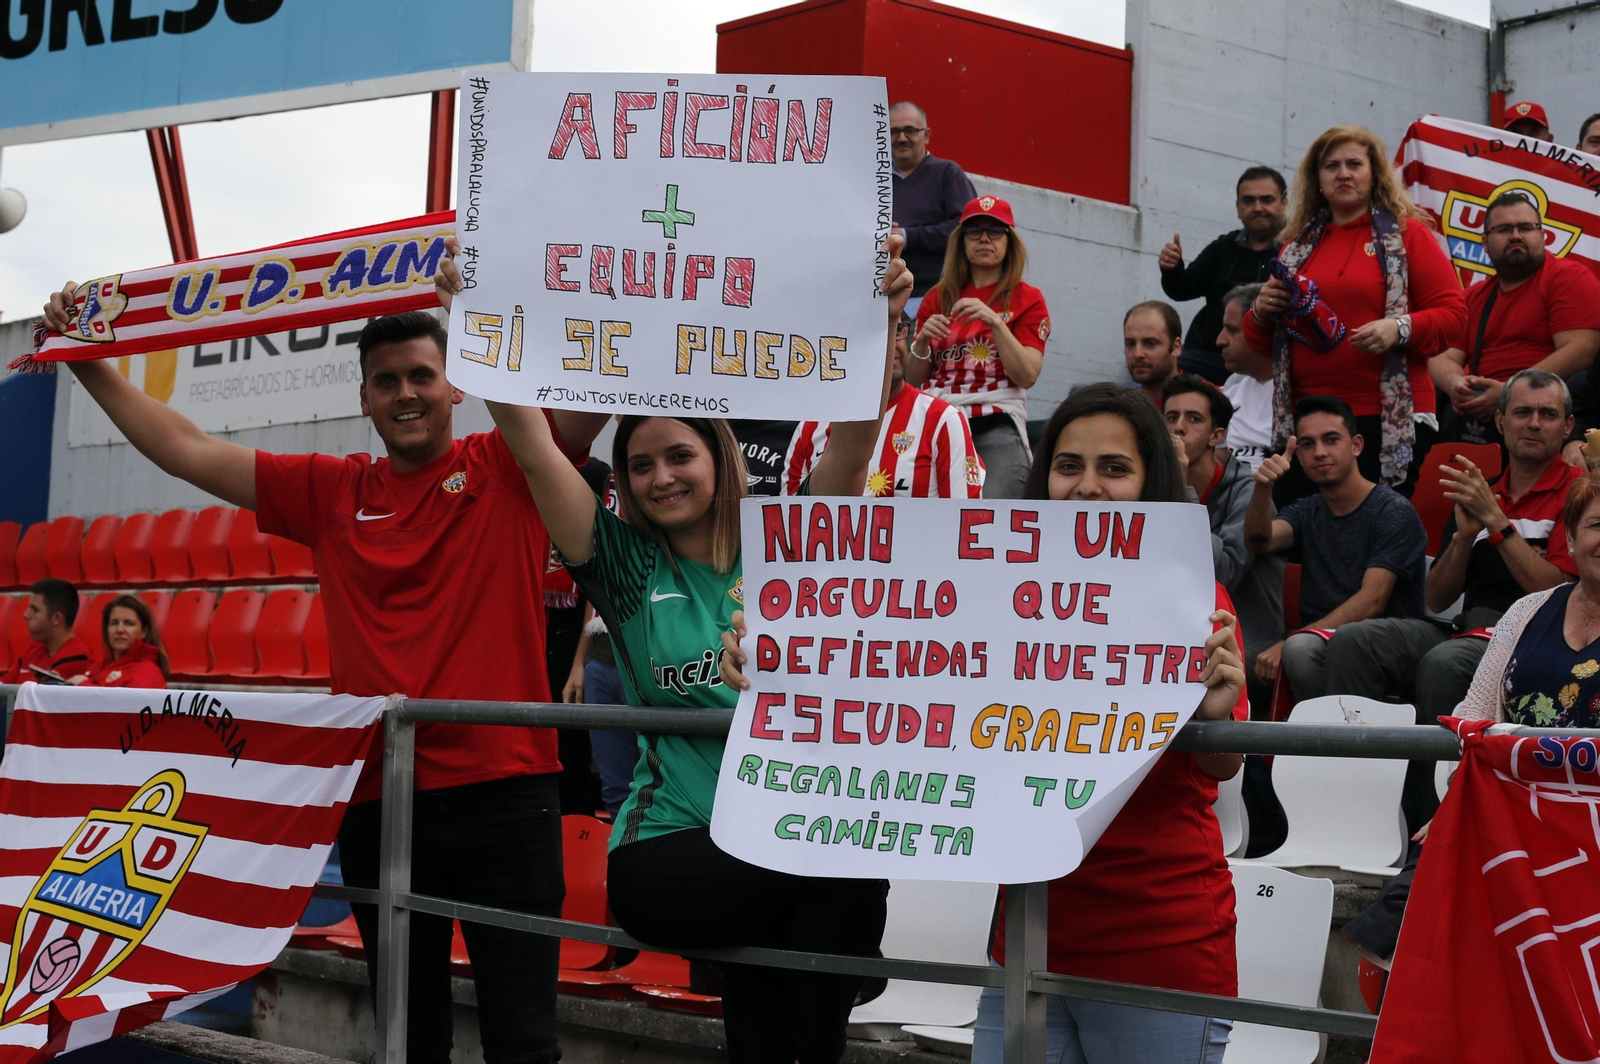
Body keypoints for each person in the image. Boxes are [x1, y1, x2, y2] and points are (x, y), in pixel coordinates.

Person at [43, 277, 611, 1064]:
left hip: (508, 793)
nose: (406, 393)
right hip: (384, 799)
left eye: (421, 375)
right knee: (409, 1042)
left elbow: (595, 392)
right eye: (387, 382)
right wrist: (86, 360)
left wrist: (484, 313)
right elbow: (185, 448)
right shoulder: (331, 491)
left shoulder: (509, 462)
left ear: (455, 385)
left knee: (524, 1041)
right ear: (366, 399)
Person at [481, 234, 911, 1064]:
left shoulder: (789, 539)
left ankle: (818, 968)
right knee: (838, 879)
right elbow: (533, 451)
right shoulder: (627, 566)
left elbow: (855, 443)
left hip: (781, 842)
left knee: (781, 954)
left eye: (679, 455)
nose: (659, 477)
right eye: (639, 465)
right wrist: (476, 320)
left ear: (718, 455)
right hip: (671, 847)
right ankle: (846, 961)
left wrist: (881, 317)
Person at [955, 383, 1247, 1064]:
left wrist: (1216, 714)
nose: (1086, 488)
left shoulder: (1198, 598)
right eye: (1068, 466)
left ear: (1153, 483)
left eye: (1114, 469)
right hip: (1025, 939)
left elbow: (1225, 764)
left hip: (1160, 947)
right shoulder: (986, 594)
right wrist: (790, 662)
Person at [1313, 370, 1580, 828]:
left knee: (1444, 663)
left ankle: (1435, 826)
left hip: (1533, 633)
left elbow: (1554, 591)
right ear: (1499, 422)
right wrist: (1463, 537)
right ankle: (1353, 814)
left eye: (1547, 414)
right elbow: (1435, 597)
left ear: (1568, 426)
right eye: (1522, 412)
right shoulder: (1480, 490)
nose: (1534, 423)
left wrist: (1496, 523)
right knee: (1353, 643)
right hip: (1465, 627)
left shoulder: (1577, 493)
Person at [1244, 125, 1467, 500]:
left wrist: (1399, 328)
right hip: (1308, 423)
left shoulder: (1409, 236)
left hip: (1387, 420)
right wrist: (1260, 311)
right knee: (1304, 542)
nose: (1343, 173)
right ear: (1317, 179)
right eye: (1331, 166)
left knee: (1376, 538)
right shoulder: (1294, 248)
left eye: (1353, 164)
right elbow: (1258, 343)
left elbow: (1455, 316)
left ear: (1374, 173)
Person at [1245, 395, 1429, 699]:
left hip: (1380, 645)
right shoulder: (1307, 510)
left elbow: (1372, 602)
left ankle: (1334, 745)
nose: (1319, 452)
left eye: (1331, 440)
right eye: (1307, 444)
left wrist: (1299, 638)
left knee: (1300, 650)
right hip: (1315, 638)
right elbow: (1258, 542)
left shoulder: (1392, 510)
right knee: (1229, 666)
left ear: (1356, 445)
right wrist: (1263, 488)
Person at [1430, 191, 1600, 447]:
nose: (1516, 235)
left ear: (1542, 236)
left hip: (1545, 414)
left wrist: (1511, 393)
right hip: (1479, 418)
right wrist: (1457, 386)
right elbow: (1440, 356)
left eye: (1525, 227)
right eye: (1504, 229)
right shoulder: (1473, 297)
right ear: (1485, 243)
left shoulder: (1569, 278)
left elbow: (1582, 350)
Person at [908, 196, 1049, 500]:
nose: (984, 238)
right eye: (975, 231)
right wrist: (920, 342)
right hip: (938, 415)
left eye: (995, 230)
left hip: (995, 417)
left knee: (999, 508)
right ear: (961, 241)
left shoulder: (1028, 298)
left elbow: (1026, 375)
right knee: (920, 502)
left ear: (1010, 241)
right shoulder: (938, 297)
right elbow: (912, 380)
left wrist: (996, 323)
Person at [1452, 471, 1600, 730]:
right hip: (1514, 770)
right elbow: (1475, 713)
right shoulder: (1524, 612)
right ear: (1570, 538)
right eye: (1597, 525)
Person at [1164, 375, 1285, 691]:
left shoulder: (1248, 492)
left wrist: (1181, 490)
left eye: (1193, 419)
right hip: (1176, 637)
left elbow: (1223, 573)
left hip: (1245, 642)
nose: (1178, 428)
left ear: (1216, 435)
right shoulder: (1157, 490)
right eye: (1171, 418)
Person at [786, 313, 984, 497]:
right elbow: (789, 521)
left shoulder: (943, 420)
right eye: (873, 331)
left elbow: (964, 519)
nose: (888, 343)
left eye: (896, 331)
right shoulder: (810, 426)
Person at [1159, 166, 1288, 385]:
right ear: (1238, 208)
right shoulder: (1223, 248)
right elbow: (1182, 289)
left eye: (1267, 200)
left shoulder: (1299, 250)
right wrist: (1172, 268)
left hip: (1272, 361)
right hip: (1213, 358)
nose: (1258, 208)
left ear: (1284, 203)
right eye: (1248, 201)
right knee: (1166, 369)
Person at [888, 100, 977, 308]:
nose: (901, 138)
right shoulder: (873, 180)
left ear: (926, 135)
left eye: (910, 130)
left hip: (936, 302)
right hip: (882, 302)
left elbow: (965, 228)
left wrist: (906, 236)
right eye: (894, 131)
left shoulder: (948, 174)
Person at [562, 602, 634, 817]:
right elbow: (593, 591)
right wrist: (580, 663)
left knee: (656, 783)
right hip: (599, 662)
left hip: (644, 664)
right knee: (615, 790)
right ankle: (622, 849)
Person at [1216, 284, 1275, 473]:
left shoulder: (1298, 389)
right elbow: (1218, 459)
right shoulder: (1233, 384)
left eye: (1231, 330)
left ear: (1259, 331)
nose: (1220, 340)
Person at [0, 578, 93, 685]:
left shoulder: (77, 659)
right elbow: (4, 687)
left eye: (35, 610)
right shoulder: (32, 653)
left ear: (56, 618)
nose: (25, 614)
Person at [72, 595, 169, 689]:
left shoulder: (147, 673)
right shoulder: (96, 668)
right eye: (114, 623)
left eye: (129, 623)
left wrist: (84, 686)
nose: (119, 629)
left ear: (144, 631)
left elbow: (126, 704)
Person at [1124, 300, 1182, 407]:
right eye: (1130, 344)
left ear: (1176, 347)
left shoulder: (1207, 401)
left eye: (1150, 343)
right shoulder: (1123, 408)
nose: (1137, 354)